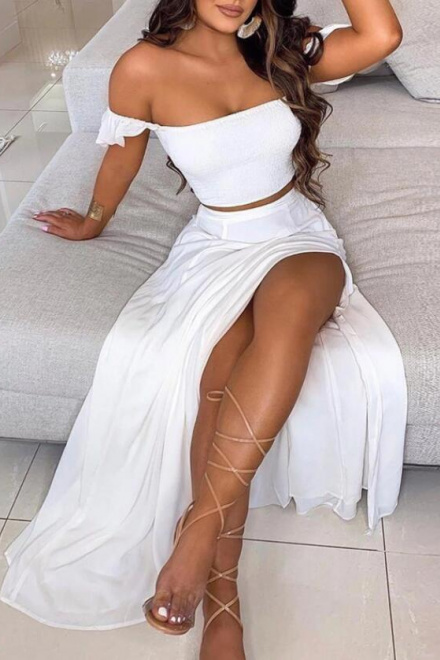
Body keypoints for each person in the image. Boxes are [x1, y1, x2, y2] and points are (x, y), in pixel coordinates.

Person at [0, 1, 407, 658]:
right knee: (216, 382)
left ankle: (197, 534)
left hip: (299, 237)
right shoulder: (142, 68)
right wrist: (94, 220)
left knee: (288, 319)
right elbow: (123, 154)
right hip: (217, 245)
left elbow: (382, 34)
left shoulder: (278, 51)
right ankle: (223, 599)